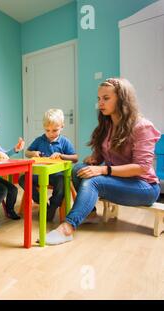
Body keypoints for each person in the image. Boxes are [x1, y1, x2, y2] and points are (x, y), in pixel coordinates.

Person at [45, 78, 161, 245]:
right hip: (119, 180)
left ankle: (67, 228)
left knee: (95, 182)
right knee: (78, 169)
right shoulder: (107, 125)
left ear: (122, 99)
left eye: (106, 98)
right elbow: (104, 155)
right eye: (98, 99)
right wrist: (95, 160)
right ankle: (90, 214)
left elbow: (141, 168)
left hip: (144, 187)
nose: (100, 103)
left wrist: (103, 170)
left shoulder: (142, 126)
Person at [19, 108, 78, 222]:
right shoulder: (40, 140)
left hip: (57, 175)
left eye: (55, 130)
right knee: (23, 179)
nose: (51, 133)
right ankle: (42, 203)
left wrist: (61, 155)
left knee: (62, 183)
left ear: (62, 127)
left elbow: (75, 158)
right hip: (40, 175)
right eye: (47, 130)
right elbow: (27, 152)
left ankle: (53, 206)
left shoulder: (64, 142)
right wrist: (33, 153)